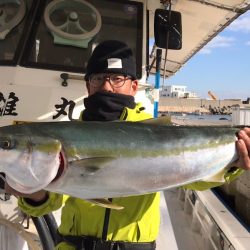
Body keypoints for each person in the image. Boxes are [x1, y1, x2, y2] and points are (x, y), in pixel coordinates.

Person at [5, 40, 250, 250]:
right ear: (88, 85)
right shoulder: (69, 134)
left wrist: (233, 162)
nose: (106, 86)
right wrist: (35, 195)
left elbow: (191, 176)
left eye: (117, 78)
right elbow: (49, 205)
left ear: (133, 86)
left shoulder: (152, 129)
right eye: (99, 77)